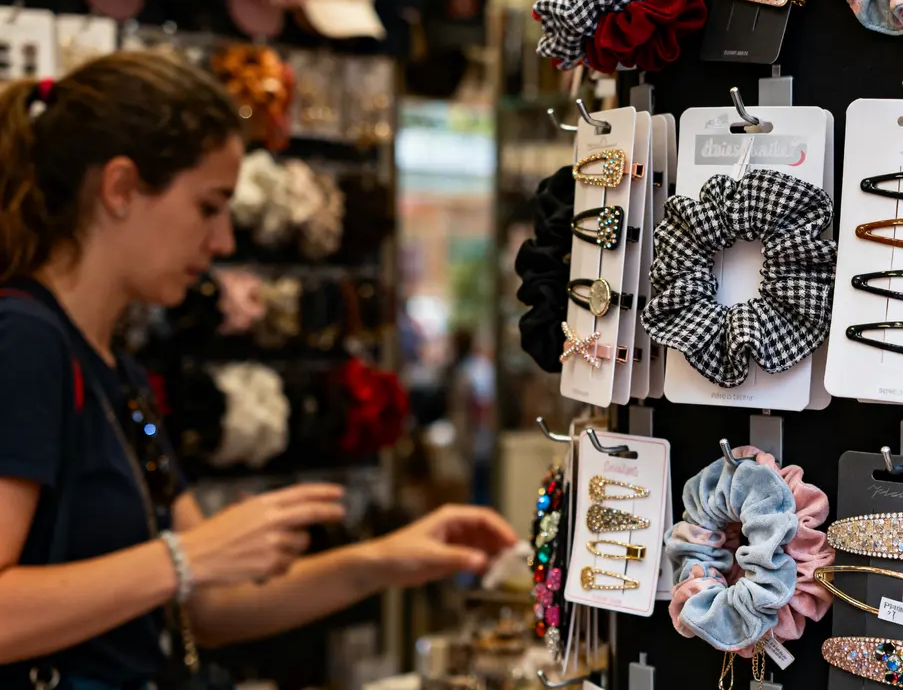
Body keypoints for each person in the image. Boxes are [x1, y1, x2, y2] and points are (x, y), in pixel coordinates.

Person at [0, 53, 518, 690]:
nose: (221, 241)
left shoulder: (113, 367)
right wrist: (184, 558)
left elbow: (209, 605)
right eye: (208, 207)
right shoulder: (25, 343)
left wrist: (384, 560)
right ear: (121, 188)